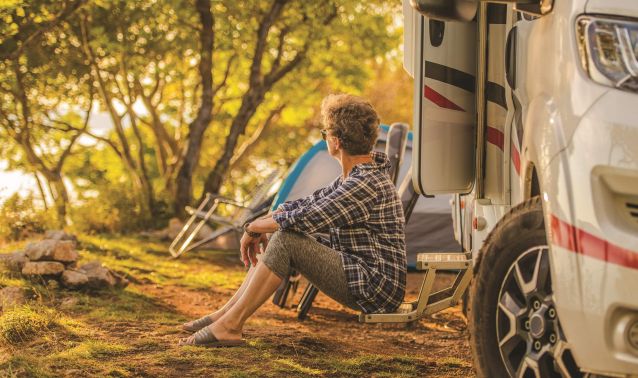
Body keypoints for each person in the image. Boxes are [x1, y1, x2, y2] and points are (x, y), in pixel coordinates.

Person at [179, 94, 407, 347]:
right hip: (360, 273)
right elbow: (305, 204)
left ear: (336, 140)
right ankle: (225, 316)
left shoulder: (365, 183)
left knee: (286, 238)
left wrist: (253, 227)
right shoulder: (355, 177)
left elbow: (308, 217)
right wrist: (261, 223)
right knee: (282, 232)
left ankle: (230, 325)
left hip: (375, 286)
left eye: (325, 134)